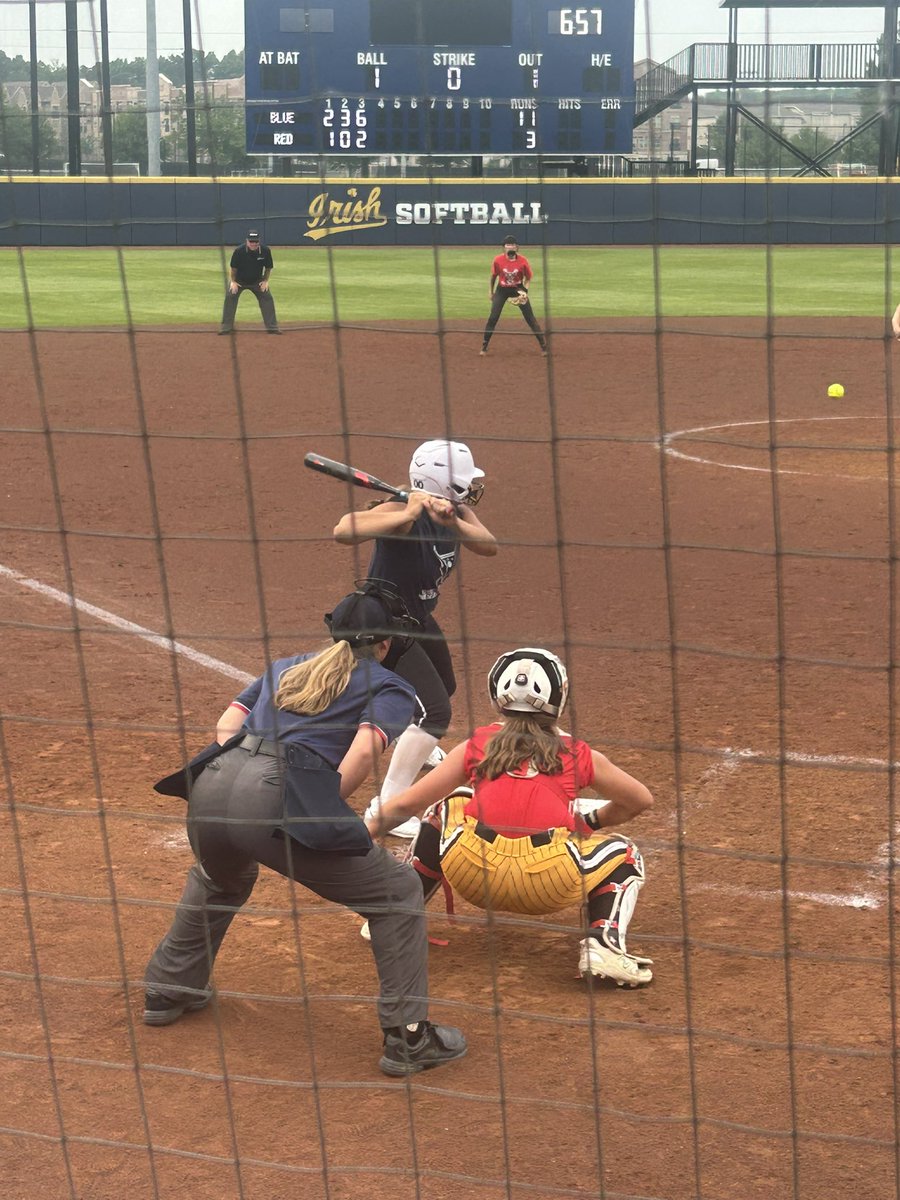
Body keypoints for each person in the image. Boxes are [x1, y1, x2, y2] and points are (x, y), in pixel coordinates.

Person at [142, 584, 467, 1077]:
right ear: (386, 644)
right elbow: (361, 755)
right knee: (398, 891)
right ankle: (409, 1038)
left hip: (212, 781)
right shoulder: (391, 686)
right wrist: (314, 804)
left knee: (221, 879)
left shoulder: (286, 666)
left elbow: (227, 725)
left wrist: (250, 771)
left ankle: (169, 989)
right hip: (275, 794)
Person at [364, 647, 655, 987]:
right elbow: (639, 800)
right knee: (626, 854)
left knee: (446, 807)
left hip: (473, 873)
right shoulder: (577, 753)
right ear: (558, 697)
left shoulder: (478, 744)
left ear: (497, 695)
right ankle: (603, 945)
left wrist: (360, 833)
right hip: (549, 883)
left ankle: (395, 915)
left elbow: (403, 806)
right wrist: (590, 823)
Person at [333, 440, 498, 841]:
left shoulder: (454, 510)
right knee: (435, 712)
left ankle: (415, 746)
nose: (469, 492)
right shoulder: (404, 512)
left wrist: (452, 520)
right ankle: (388, 805)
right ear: (441, 483)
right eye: (462, 485)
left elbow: (488, 545)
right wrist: (407, 512)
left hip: (416, 616)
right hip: (382, 622)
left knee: (445, 686)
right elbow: (342, 531)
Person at [480, 233, 548, 357]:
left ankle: (543, 346)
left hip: (518, 288)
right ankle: (484, 346)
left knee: (530, 318)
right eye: (507, 245)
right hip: (502, 290)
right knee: (493, 317)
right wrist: (490, 291)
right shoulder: (498, 260)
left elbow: (528, 278)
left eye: (512, 245)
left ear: (517, 247)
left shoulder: (523, 261)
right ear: (504, 247)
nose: (510, 247)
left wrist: (524, 292)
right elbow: (493, 276)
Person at [219, 228, 281, 335]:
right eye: (251, 241)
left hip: (257, 280)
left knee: (267, 297)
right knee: (230, 296)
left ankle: (272, 327)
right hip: (239, 280)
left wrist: (265, 280)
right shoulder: (239, 251)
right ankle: (226, 327)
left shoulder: (265, 251)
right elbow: (233, 268)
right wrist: (233, 281)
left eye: (256, 241)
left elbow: (268, 267)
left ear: (259, 241)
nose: (254, 244)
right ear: (247, 241)